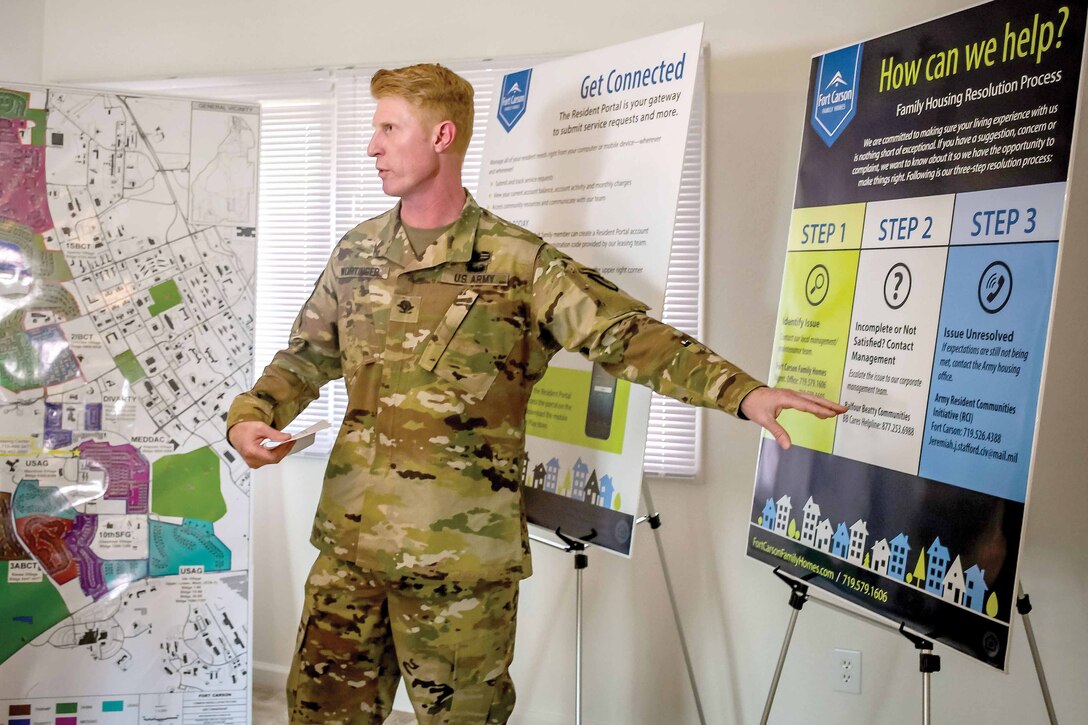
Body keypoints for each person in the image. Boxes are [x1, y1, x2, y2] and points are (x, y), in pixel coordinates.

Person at [227, 63, 846, 724]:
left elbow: (625, 335)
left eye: (387, 127)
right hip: (350, 550)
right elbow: (306, 355)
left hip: (458, 570)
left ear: (441, 135)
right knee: (317, 715)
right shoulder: (357, 253)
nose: (372, 145)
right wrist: (252, 415)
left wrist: (743, 393)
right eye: (372, 127)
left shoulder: (518, 263)